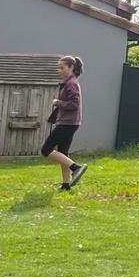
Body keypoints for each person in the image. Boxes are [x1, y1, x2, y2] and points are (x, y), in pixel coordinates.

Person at [43, 55, 88, 190]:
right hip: (70, 122)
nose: (59, 70)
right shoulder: (70, 82)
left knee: (46, 149)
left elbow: (74, 104)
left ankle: (76, 168)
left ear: (71, 68)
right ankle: (66, 184)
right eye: (58, 68)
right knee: (63, 152)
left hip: (68, 123)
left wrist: (58, 102)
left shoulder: (71, 83)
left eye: (62, 68)